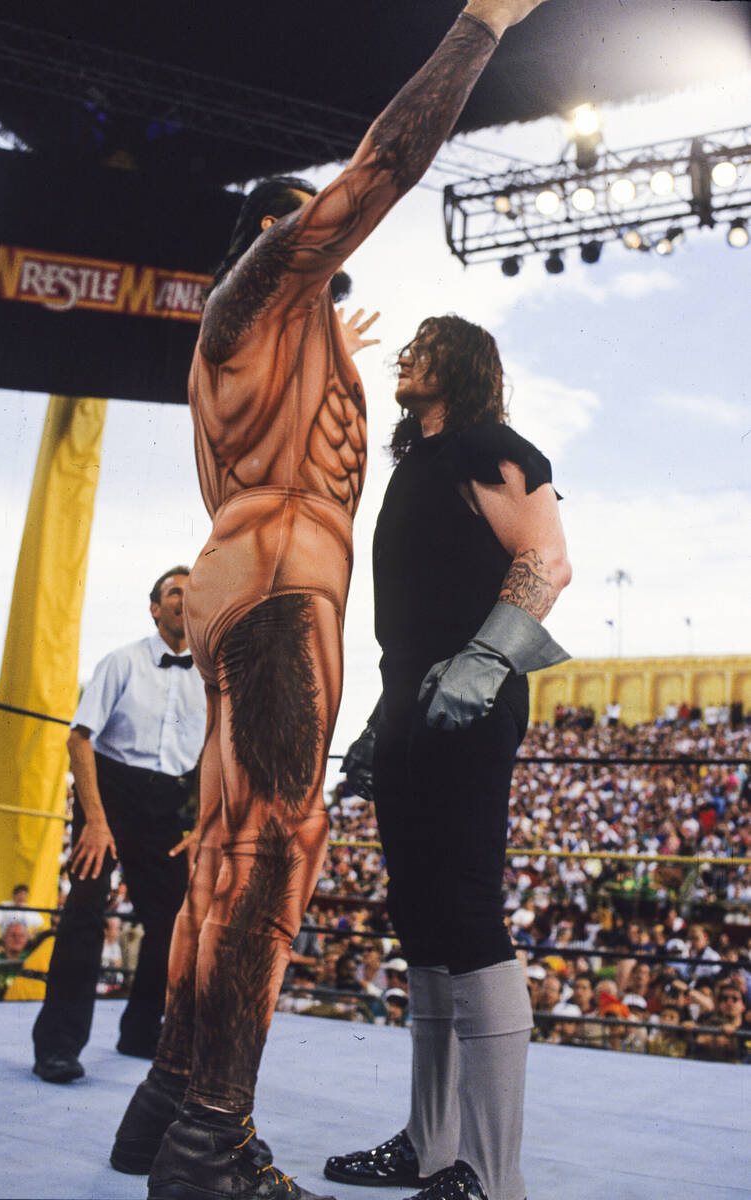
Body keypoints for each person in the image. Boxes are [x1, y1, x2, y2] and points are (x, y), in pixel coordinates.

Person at [111, 2, 550, 1197]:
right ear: (269, 234)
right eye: (306, 238)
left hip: (248, 586)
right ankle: (212, 1137)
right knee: (268, 855)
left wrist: (330, 344)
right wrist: (478, 27)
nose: (325, 251)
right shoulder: (257, 286)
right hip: (277, 589)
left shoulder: (261, 339)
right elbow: (386, 161)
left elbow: (292, 375)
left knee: (220, 862)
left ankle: (164, 1106)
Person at [324, 309, 571, 1200]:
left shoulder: (490, 446)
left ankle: (489, 1173)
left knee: (465, 914)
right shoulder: (417, 464)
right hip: (409, 705)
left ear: (462, 365)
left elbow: (545, 557)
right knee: (422, 927)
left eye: (427, 345)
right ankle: (431, 1150)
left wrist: (485, 656)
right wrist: (377, 723)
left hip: (472, 701)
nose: (408, 354)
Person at [31, 567, 206, 1083]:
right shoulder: (122, 661)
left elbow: (214, 755)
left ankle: (139, 1031)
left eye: (193, 592)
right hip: (107, 795)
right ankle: (57, 1047)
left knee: (172, 920)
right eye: (175, 591)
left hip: (168, 805)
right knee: (85, 911)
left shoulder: (212, 677)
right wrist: (96, 823)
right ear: (155, 607)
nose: (185, 598)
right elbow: (79, 738)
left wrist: (200, 823)